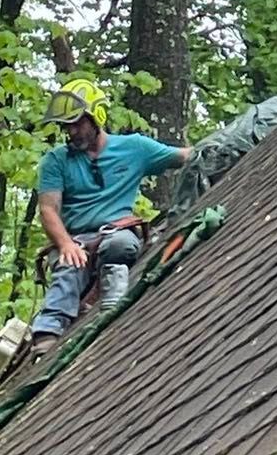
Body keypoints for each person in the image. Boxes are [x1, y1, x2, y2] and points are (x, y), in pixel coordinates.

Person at [30, 77, 190, 353]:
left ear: (96, 117)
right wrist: (66, 244)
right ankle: (47, 333)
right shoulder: (57, 160)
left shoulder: (134, 148)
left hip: (115, 231)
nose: (72, 132)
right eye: (67, 126)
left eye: (77, 123)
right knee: (69, 266)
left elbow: (185, 156)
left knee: (122, 245)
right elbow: (48, 209)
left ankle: (112, 299)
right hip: (77, 239)